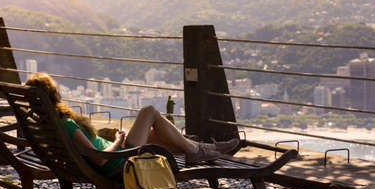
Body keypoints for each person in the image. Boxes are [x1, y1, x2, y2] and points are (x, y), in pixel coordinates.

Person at [25, 73, 240, 177]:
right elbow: (99, 159)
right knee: (149, 112)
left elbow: (89, 149)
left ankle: (203, 150)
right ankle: (199, 150)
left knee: (159, 136)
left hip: (112, 154)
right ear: (54, 95)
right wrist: (119, 141)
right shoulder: (66, 124)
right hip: (116, 161)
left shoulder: (47, 123)